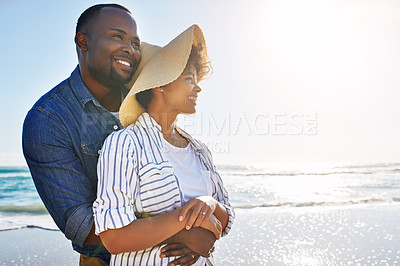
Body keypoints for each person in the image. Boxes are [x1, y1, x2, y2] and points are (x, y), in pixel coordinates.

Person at [23, 4, 213, 265]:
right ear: (83, 41)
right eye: (117, 36)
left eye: (135, 42)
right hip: (101, 260)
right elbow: (81, 225)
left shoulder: (146, 94)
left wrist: (200, 221)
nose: (131, 50)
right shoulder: (48, 120)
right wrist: (188, 233)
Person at [93, 24, 235, 266]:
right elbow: (113, 237)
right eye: (189, 78)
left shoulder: (199, 150)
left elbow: (227, 218)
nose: (198, 87)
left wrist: (208, 204)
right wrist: (192, 227)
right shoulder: (124, 144)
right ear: (161, 83)